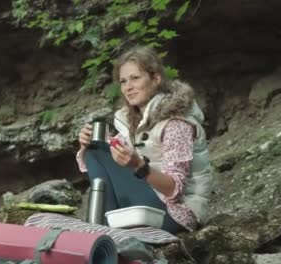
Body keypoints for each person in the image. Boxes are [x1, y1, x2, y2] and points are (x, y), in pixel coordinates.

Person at [76, 45, 212, 234]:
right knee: (95, 150)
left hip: (175, 213)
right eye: (123, 82)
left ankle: (100, 227)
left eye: (135, 78)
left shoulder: (176, 123)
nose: (128, 87)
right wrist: (88, 143)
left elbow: (175, 189)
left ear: (156, 79)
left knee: (98, 152)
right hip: (146, 207)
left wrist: (138, 165)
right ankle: (103, 225)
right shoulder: (131, 121)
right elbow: (107, 164)